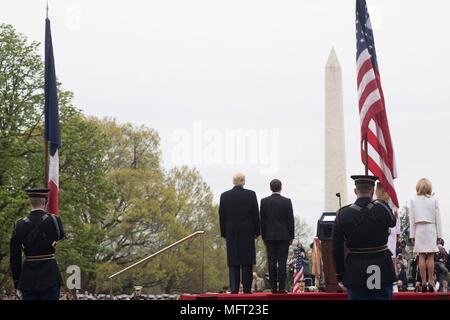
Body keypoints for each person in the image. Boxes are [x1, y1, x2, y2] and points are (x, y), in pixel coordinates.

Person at [332, 175, 397, 300]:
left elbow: (337, 248)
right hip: (380, 268)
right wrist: (382, 201)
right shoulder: (382, 208)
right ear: (372, 191)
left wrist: (340, 275)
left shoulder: (342, 214)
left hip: (356, 272)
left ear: (355, 191)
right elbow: (392, 221)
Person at [9, 188, 65, 300]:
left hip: (28, 279)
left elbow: (15, 256)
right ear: (45, 202)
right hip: (50, 276)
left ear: (29, 201)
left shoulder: (19, 225)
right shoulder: (54, 220)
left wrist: (17, 281)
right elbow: (61, 236)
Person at [219, 173, 260, 294]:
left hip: (231, 231)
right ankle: (247, 289)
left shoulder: (224, 196)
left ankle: (234, 288)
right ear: (244, 182)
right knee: (247, 261)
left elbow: (222, 216)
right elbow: (255, 215)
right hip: (247, 231)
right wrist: (257, 232)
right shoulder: (251, 194)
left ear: (233, 181)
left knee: (233, 261)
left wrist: (224, 232)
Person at [260, 179, 295, 293]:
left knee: (271, 262)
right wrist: (291, 236)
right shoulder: (287, 201)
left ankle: (273, 287)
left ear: (270, 188)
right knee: (282, 262)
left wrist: (264, 236)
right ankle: (281, 287)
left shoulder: (264, 201)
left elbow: (263, 221)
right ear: (281, 187)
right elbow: (290, 220)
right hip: (284, 236)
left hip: (269, 236)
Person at [409, 178, 442, 292]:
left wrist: (412, 235)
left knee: (421, 256)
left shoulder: (413, 199)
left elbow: (411, 219)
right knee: (431, 256)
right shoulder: (434, 199)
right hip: (431, 228)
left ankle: (423, 282)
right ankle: (431, 282)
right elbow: (438, 218)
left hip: (419, 228)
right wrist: (439, 235)